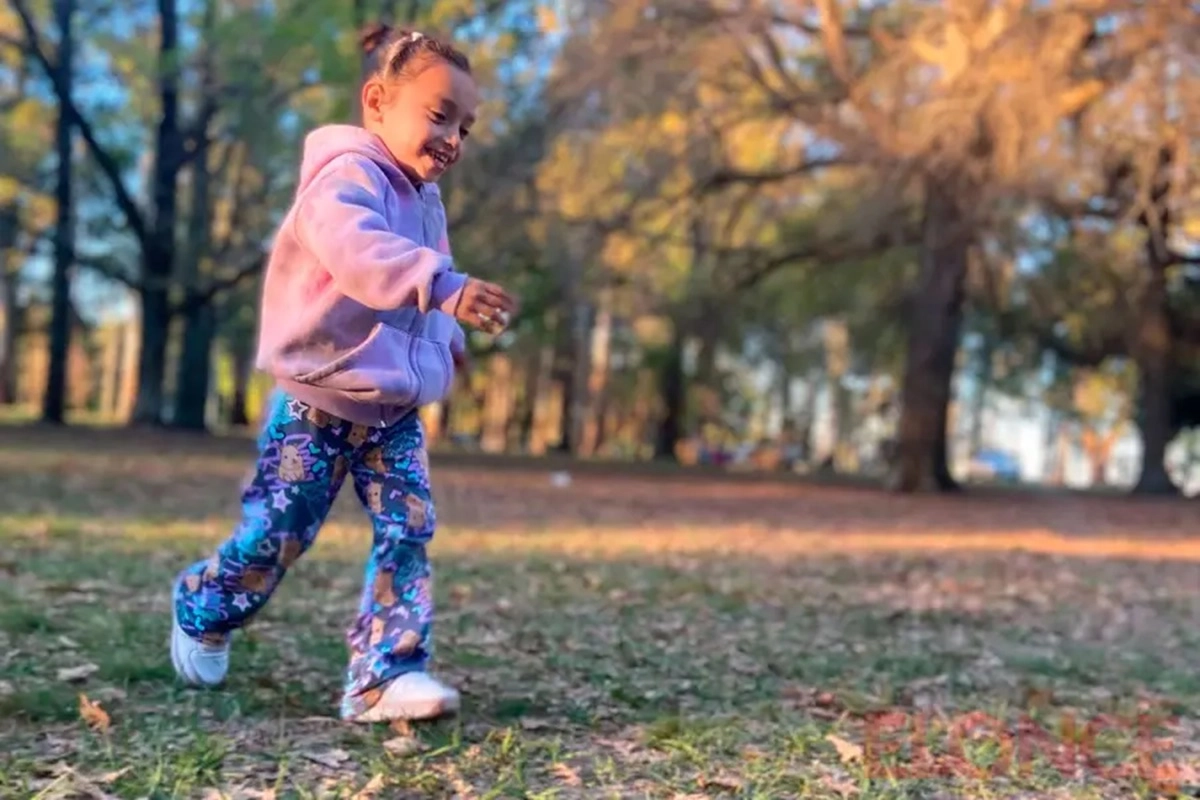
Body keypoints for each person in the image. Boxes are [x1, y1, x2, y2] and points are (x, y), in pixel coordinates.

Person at [169, 24, 517, 723]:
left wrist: (446, 339)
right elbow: (362, 254)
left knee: (408, 531)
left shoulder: (426, 201)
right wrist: (444, 287)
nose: (453, 138)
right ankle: (205, 606)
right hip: (317, 402)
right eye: (439, 115)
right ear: (377, 102)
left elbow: (422, 289)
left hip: (392, 414)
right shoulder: (343, 178)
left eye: (465, 127)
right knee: (280, 531)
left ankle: (384, 675)